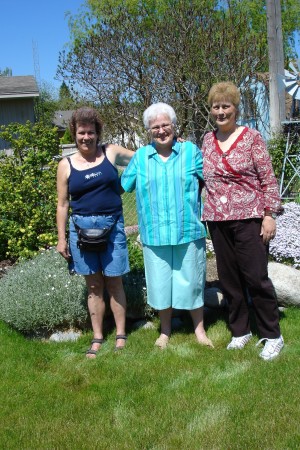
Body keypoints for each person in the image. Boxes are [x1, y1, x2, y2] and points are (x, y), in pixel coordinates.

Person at [202, 81, 284, 360]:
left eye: (226, 106)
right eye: (216, 106)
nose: (220, 111)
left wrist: (269, 214)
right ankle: (240, 331)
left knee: (256, 278)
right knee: (230, 280)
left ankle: (272, 334)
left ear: (236, 109)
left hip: (249, 218)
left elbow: (268, 178)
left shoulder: (252, 138)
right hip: (217, 219)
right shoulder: (206, 140)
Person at [121, 102, 213, 349]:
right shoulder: (141, 157)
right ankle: (165, 331)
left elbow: (211, 180)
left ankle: (200, 330)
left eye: (165, 125)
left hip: (188, 230)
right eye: (155, 127)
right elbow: (124, 184)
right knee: (161, 286)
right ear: (148, 131)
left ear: (174, 126)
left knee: (192, 282)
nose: (161, 130)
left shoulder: (190, 152)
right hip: (155, 233)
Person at [56, 107, 133, 358]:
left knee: (114, 281)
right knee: (93, 285)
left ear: (97, 133)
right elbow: (62, 204)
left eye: (90, 132)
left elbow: (142, 156)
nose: (86, 137)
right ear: (74, 134)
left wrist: (174, 141)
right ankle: (98, 336)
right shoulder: (65, 165)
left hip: (113, 227)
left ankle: (121, 334)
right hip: (81, 230)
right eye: (81, 133)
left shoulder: (110, 152)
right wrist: (61, 238)